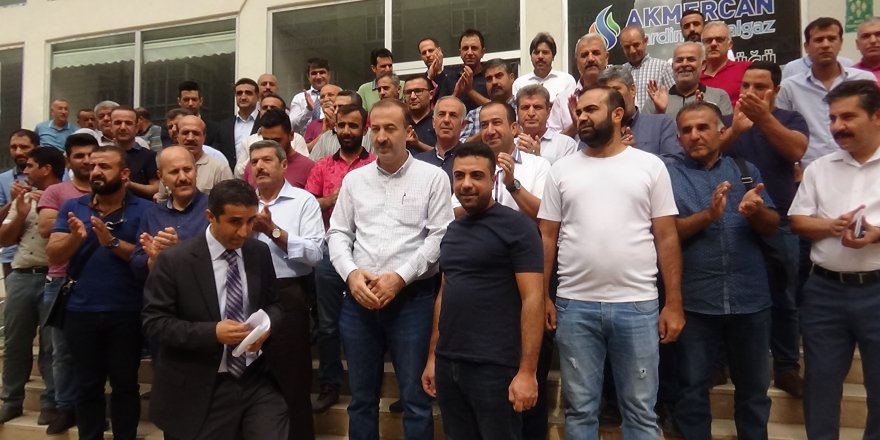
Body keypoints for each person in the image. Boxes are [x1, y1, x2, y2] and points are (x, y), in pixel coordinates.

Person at [538, 86, 684, 438]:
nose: (581, 117)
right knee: (579, 411)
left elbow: (666, 236)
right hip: (574, 305)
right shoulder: (561, 170)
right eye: (579, 111)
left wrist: (674, 303)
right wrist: (543, 296)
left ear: (618, 114)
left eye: (591, 109)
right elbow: (547, 237)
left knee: (640, 412)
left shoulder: (650, 166)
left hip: (638, 305)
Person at [327, 99, 452, 439]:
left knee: (415, 400)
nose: (381, 137)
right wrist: (351, 274)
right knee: (361, 400)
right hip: (359, 300)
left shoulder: (433, 178)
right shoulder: (355, 180)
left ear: (408, 132)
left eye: (390, 128)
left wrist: (400, 277)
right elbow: (338, 232)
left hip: (411, 300)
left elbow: (440, 236)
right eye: (376, 129)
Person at [142, 178, 288, 440]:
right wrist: (212, 333)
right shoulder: (175, 261)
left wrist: (266, 327)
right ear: (211, 216)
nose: (244, 232)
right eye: (235, 222)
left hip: (256, 379)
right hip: (200, 386)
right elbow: (155, 324)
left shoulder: (258, 252)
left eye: (250, 221)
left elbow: (275, 305)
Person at [667, 102, 778, 439]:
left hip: (750, 299)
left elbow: (772, 225)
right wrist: (709, 216)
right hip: (696, 301)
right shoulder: (669, 175)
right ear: (678, 138)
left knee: (754, 390)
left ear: (721, 131)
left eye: (702, 127)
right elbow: (666, 233)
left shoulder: (745, 170)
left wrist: (755, 212)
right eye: (686, 130)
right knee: (691, 390)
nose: (694, 135)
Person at [421, 142, 544, 439]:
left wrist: (527, 371)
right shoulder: (452, 230)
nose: (466, 184)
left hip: (495, 367)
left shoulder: (518, 227)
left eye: (476, 175)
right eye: (459, 176)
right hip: (450, 363)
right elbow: (445, 293)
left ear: (493, 179)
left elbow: (533, 299)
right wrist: (434, 357)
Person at [788, 79, 880, 440]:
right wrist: (831, 226)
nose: (838, 126)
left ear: (876, 116)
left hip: (876, 290)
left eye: (848, 117)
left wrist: (876, 234)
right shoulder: (819, 168)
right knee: (821, 385)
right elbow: (798, 221)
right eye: (832, 118)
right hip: (824, 291)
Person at [46, 145, 149, 440]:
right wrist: (75, 239)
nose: (96, 172)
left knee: (125, 385)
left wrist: (112, 242)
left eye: (104, 166)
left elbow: (147, 258)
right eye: (93, 166)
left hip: (127, 312)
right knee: (87, 385)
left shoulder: (146, 210)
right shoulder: (73, 207)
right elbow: (54, 254)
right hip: (81, 311)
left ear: (125, 173)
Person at [720, 61, 810, 397]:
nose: (751, 93)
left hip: (780, 223)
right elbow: (710, 153)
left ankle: (786, 367)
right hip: (733, 223)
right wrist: (736, 130)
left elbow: (795, 150)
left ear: (776, 90)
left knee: (784, 296)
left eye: (760, 87)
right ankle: (722, 363)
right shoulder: (728, 121)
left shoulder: (790, 119)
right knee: (728, 293)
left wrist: (764, 119)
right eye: (746, 86)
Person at [246, 139, 323, 440]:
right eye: (254, 162)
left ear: (283, 164)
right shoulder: (243, 203)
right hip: (245, 295)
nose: (260, 166)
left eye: (267, 160)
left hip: (288, 293)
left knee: (292, 380)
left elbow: (315, 254)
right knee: (248, 380)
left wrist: (272, 231)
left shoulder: (303, 201)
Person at [305, 104, 376, 414]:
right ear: (335, 129)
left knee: (369, 322)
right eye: (342, 125)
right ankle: (330, 384)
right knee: (328, 325)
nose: (347, 131)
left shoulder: (375, 164)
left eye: (353, 126)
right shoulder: (321, 166)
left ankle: (368, 384)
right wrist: (333, 199)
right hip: (329, 252)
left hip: (368, 251)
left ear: (364, 129)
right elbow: (309, 205)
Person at [0, 147, 65, 426]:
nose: (25, 171)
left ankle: (51, 403)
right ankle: (11, 401)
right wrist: (20, 212)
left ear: (46, 169)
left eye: (30, 166)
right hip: (22, 276)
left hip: (55, 277)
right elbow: (4, 240)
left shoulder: (67, 196)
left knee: (52, 346)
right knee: (15, 343)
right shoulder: (23, 198)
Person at [35, 133, 96, 434]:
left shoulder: (109, 189)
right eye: (79, 156)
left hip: (98, 280)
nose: (86, 161)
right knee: (60, 351)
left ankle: (91, 407)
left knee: (95, 351)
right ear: (68, 161)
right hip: (60, 279)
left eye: (91, 155)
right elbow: (46, 227)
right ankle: (64, 406)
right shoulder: (56, 191)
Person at [776, 17, 876, 167]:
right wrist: (795, 165)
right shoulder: (790, 87)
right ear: (807, 47)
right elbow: (782, 130)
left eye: (831, 39)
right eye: (819, 40)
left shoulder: (863, 80)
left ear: (841, 43)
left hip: (861, 165)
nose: (825, 45)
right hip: (810, 169)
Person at [455, 101, 549, 221]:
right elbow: (451, 213)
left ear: (513, 128)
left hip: (519, 232)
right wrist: (481, 199)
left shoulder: (538, 165)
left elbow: (545, 216)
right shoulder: (470, 166)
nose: (490, 131)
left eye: (496, 123)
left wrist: (512, 185)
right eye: (484, 125)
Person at [131, 146, 210, 275]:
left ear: (196, 170)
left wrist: (179, 249)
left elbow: (222, 256)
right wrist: (153, 258)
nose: (183, 177)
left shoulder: (214, 208)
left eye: (187, 170)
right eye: (174, 172)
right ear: (161, 177)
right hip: (163, 285)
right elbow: (136, 263)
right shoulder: (152, 214)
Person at [596, 67, 681, 156]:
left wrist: (636, 155)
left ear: (632, 90)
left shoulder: (661, 124)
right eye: (605, 93)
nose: (610, 97)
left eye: (615, 90)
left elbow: (675, 162)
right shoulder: (597, 131)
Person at [644, 42, 733, 118]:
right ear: (672, 66)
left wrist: (704, 114)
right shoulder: (654, 101)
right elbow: (645, 132)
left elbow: (725, 131)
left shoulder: (719, 96)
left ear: (703, 65)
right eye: (679, 60)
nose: (684, 64)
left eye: (691, 59)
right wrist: (660, 113)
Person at [243, 109, 314, 189]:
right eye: (266, 140)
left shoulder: (308, 167)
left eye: (276, 141)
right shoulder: (253, 165)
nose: (271, 145)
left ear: (291, 135)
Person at [0, 129, 36, 276]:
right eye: (13, 147)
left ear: (37, 148)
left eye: (24, 147)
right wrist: (14, 202)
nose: (18, 152)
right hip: (11, 255)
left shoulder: (55, 174)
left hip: (43, 256)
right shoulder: (2, 179)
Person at [515, 85, 577, 165]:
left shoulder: (566, 145)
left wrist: (537, 158)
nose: (531, 113)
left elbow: (567, 173)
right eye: (525, 107)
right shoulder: (509, 145)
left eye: (537, 107)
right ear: (517, 112)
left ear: (548, 112)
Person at [459, 58, 517, 142]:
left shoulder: (525, 108)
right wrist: (484, 132)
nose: (494, 82)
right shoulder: (474, 115)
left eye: (498, 76)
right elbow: (460, 144)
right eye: (489, 79)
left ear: (511, 78)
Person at [512, 33, 576, 106]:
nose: (540, 56)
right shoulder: (519, 84)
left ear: (553, 56)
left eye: (545, 52)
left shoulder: (567, 81)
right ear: (531, 57)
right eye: (536, 52)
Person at [110, 106, 159, 200]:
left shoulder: (148, 156)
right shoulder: (102, 156)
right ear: (111, 127)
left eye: (128, 123)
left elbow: (155, 188)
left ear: (136, 128)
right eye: (118, 123)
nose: (123, 127)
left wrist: (130, 184)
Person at [435, 29, 491, 112]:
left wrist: (470, 91)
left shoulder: (490, 77)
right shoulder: (450, 78)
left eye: (474, 48)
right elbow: (439, 111)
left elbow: (498, 108)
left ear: (483, 52)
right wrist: (456, 93)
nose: (469, 53)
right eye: (465, 48)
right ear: (460, 53)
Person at [619, 26, 674, 110]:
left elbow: (674, 99)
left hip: (656, 118)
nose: (632, 51)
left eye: (636, 45)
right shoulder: (620, 72)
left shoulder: (662, 67)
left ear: (645, 41)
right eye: (627, 47)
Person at [414, 96, 466, 184]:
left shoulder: (472, 160)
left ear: (463, 125)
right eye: (441, 114)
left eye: (453, 115)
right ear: (433, 123)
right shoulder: (417, 162)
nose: (446, 120)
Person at [700, 21, 751, 106]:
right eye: (708, 41)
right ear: (702, 45)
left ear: (730, 45)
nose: (713, 44)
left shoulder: (746, 69)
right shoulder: (695, 78)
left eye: (719, 40)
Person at [217, 78, 261, 169]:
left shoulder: (265, 122)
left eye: (248, 93)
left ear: (258, 97)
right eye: (239, 93)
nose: (243, 97)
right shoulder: (224, 125)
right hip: (229, 173)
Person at [290, 58, 330, 134]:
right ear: (308, 77)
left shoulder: (338, 95)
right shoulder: (299, 98)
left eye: (322, 72)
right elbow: (292, 127)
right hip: (306, 140)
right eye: (314, 73)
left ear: (329, 75)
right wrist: (308, 110)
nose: (318, 77)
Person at [404, 75, 436, 153]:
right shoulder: (399, 122)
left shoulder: (439, 121)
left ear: (431, 94)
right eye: (408, 92)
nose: (412, 97)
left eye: (418, 91)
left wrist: (418, 144)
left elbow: (445, 155)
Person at [854, 17, 880, 81]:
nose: (873, 41)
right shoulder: (849, 76)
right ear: (857, 44)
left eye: (879, 35)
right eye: (866, 36)